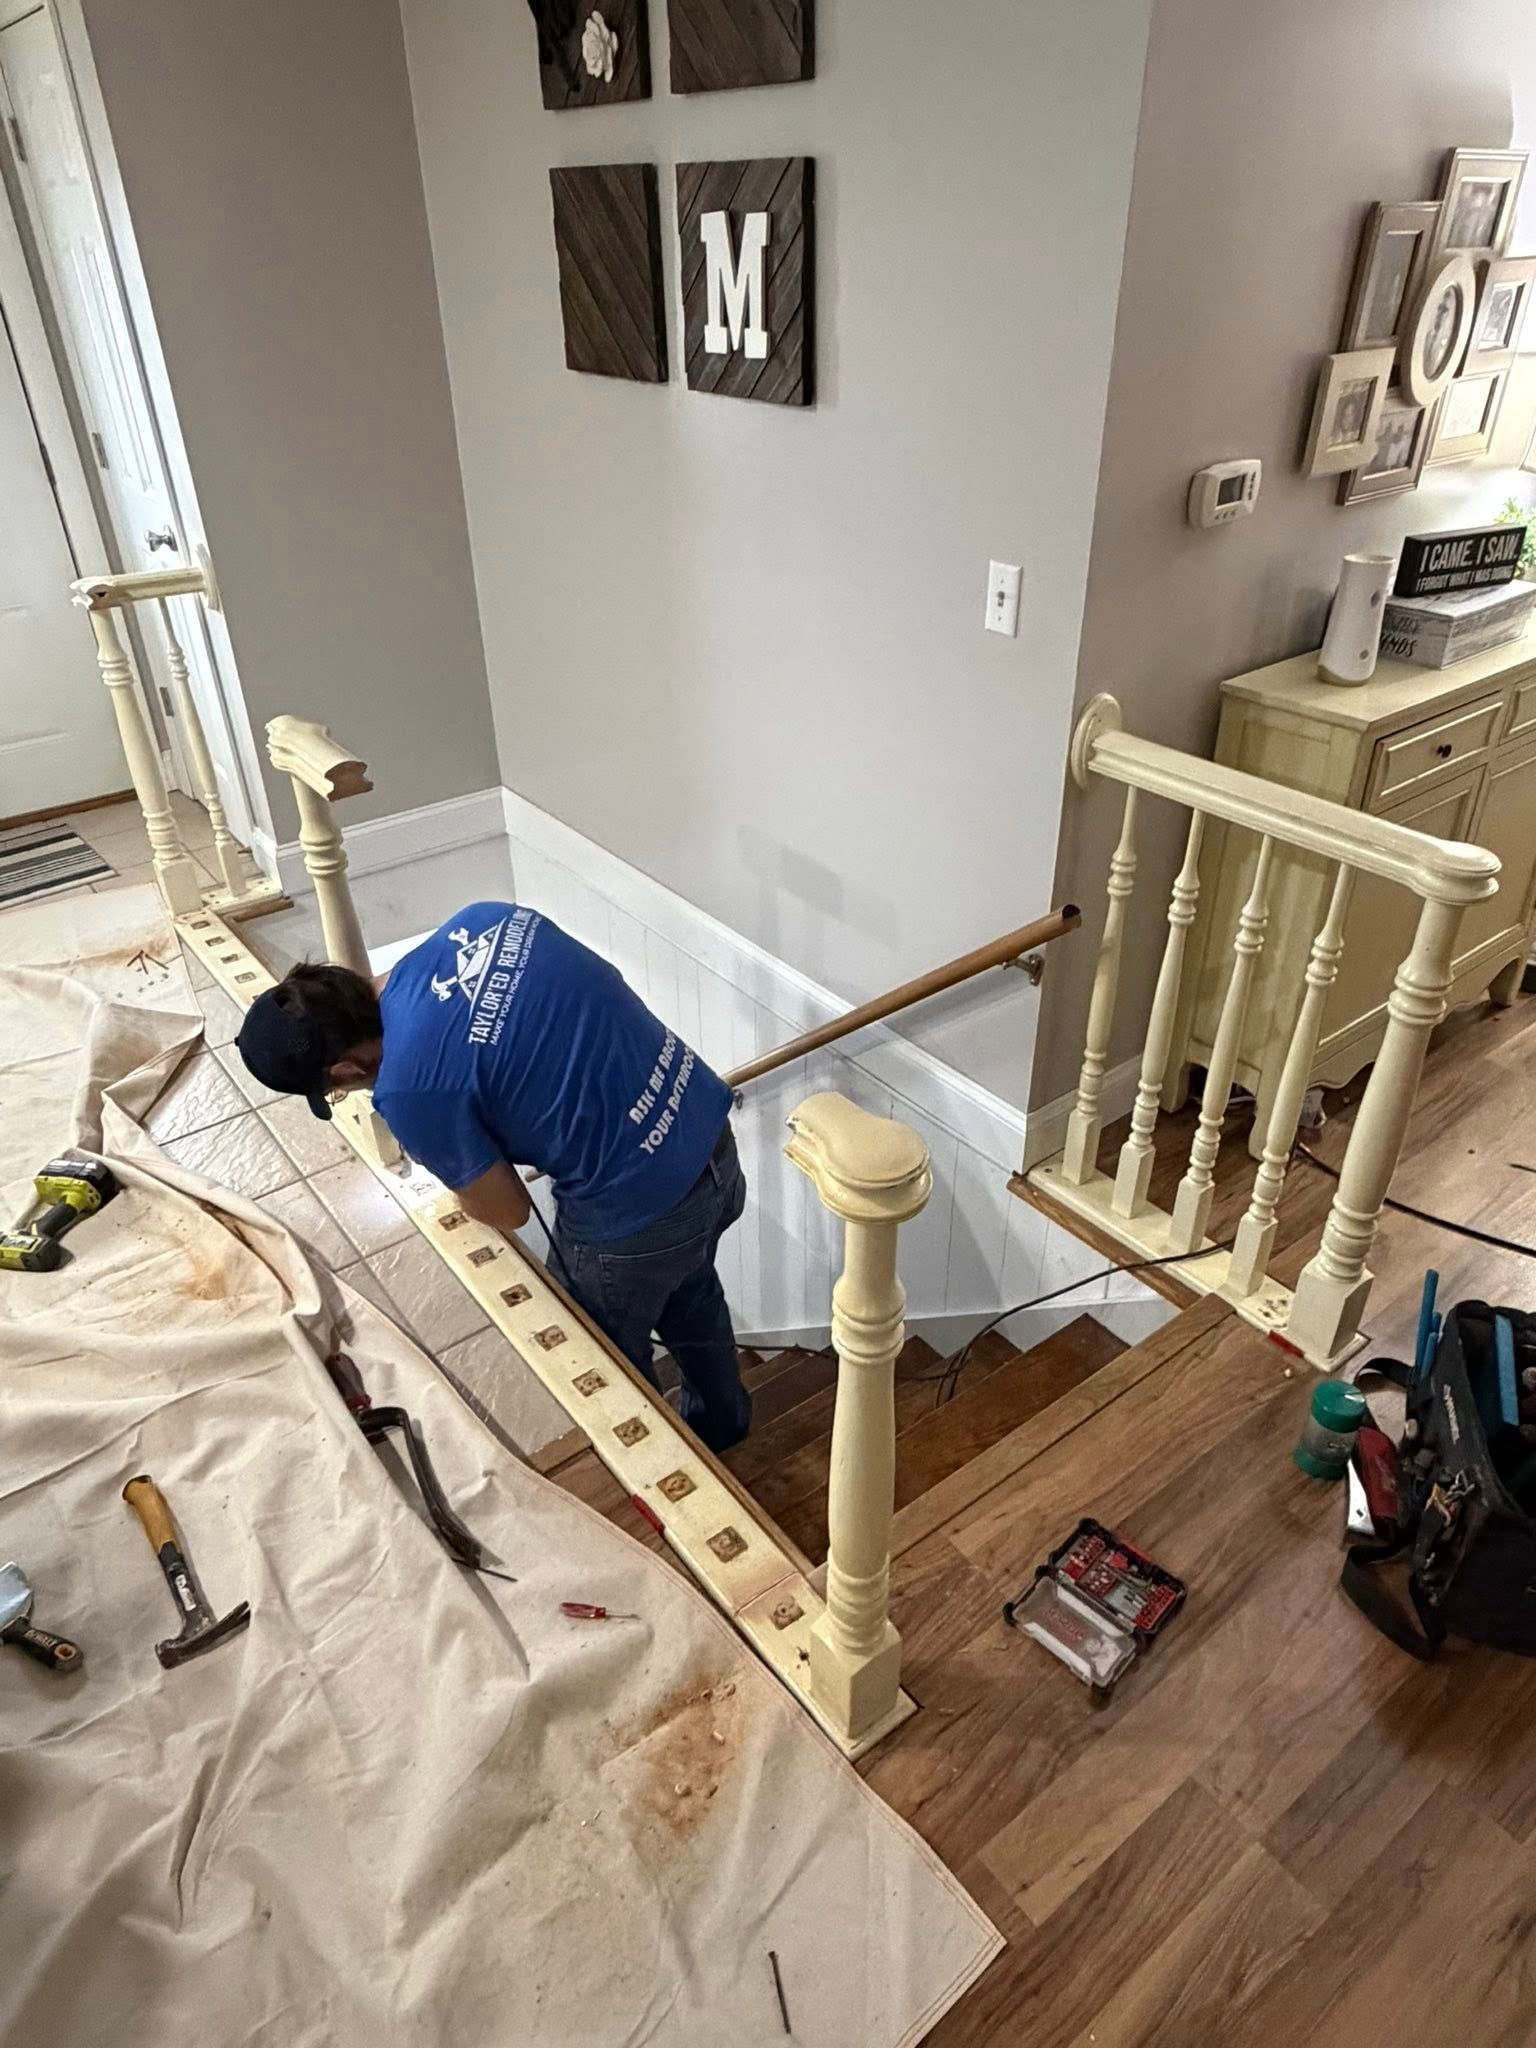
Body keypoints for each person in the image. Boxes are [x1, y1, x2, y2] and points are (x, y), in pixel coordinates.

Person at [234, 902, 752, 1451]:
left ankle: (664, 1467)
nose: (349, 1092)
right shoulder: (483, 920)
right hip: (708, 1134)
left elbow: (508, 1211)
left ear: (344, 1068)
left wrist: (461, 1173)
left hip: (635, 1211)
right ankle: (725, 1427)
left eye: (337, 1091)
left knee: (598, 1356)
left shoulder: (408, 1089)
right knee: (689, 1286)